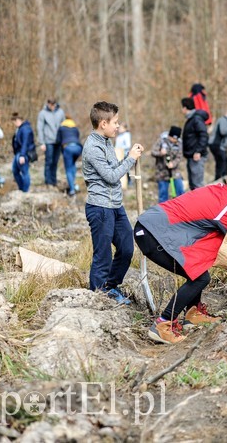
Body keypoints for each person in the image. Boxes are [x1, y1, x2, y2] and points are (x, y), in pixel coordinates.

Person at [134, 170, 227, 344]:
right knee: (200, 278)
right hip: (153, 233)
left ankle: (193, 313)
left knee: (199, 271)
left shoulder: (226, 193)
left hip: (156, 228)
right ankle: (163, 324)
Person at [81, 101, 144, 304]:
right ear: (103, 123)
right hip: (99, 208)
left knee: (127, 247)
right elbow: (110, 176)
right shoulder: (93, 147)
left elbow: (115, 167)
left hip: (115, 206)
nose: (118, 125)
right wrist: (131, 159)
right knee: (103, 255)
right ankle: (98, 296)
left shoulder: (107, 142)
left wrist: (128, 157)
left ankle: (110, 286)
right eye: (115, 122)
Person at [181, 97, 209, 190]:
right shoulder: (191, 119)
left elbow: (204, 135)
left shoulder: (196, 119)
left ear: (185, 108)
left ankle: (203, 204)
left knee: (197, 185)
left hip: (196, 156)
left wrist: (198, 151)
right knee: (193, 185)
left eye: (182, 108)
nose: (181, 110)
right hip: (191, 156)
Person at [152, 126, 185, 203]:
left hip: (174, 171)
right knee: (163, 194)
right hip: (162, 172)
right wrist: (160, 153)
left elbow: (179, 157)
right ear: (169, 136)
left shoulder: (179, 144)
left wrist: (173, 164)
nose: (174, 140)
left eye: (176, 139)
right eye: (172, 138)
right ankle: (163, 212)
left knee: (180, 191)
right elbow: (153, 152)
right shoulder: (161, 141)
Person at [36, 98, 65, 187]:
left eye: (53, 104)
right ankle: (48, 181)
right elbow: (40, 128)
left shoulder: (60, 112)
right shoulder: (43, 113)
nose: (52, 106)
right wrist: (42, 142)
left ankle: (53, 180)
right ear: (48, 104)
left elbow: (64, 126)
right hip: (48, 141)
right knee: (49, 161)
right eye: (50, 104)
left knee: (55, 161)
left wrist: (64, 140)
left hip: (58, 141)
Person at [57, 116, 83, 197]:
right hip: (78, 148)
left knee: (68, 169)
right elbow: (77, 138)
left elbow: (58, 140)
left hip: (68, 148)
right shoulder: (75, 128)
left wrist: (62, 151)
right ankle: (74, 185)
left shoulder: (61, 128)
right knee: (72, 165)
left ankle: (72, 190)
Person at [209, 110, 227, 180]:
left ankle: (223, 178)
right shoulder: (223, 120)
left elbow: (226, 140)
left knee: (223, 161)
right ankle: (220, 179)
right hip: (216, 144)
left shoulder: (226, 122)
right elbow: (223, 131)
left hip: (219, 145)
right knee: (222, 161)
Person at [11, 113, 35, 193]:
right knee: (15, 170)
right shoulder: (20, 128)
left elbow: (25, 143)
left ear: (18, 120)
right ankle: (21, 188)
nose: (14, 124)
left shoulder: (25, 129)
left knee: (24, 171)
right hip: (18, 153)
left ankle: (25, 190)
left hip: (23, 153)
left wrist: (22, 155)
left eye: (14, 122)